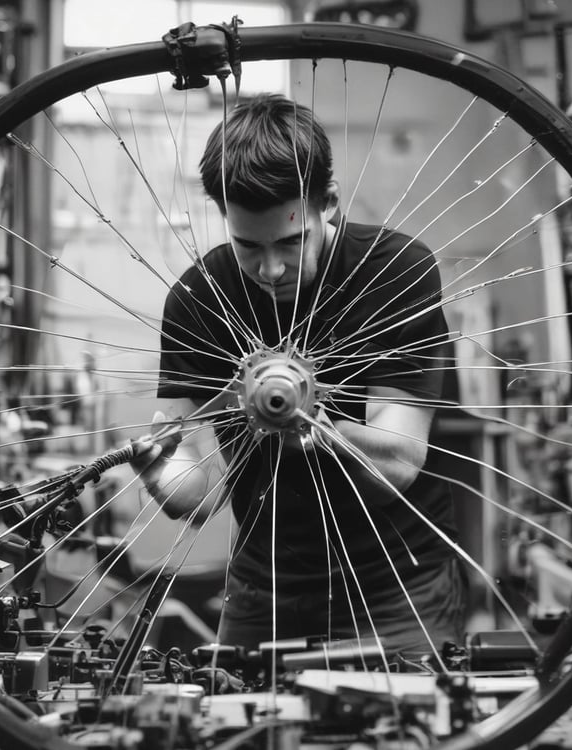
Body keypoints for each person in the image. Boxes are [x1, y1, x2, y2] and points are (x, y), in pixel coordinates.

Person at [132, 93, 466, 657]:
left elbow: (398, 466)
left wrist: (309, 428)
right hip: (263, 588)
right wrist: (160, 471)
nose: (270, 269)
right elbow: (200, 491)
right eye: (248, 246)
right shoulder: (199, 297)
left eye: (292, 242)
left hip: (396, 588)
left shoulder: (395, 273)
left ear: (327, 204)